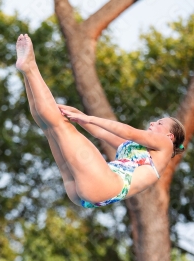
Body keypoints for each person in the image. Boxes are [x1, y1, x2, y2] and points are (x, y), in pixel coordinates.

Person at [15, 34, 186, 208]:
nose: (152, 124)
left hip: (103, 184)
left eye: (159, 123)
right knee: (49, 127)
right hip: (87, 191)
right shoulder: (134, 149)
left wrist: (88, 117)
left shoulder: (165, 145)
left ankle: (30, 66)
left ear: (170, 135)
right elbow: (100, 132)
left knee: (59, 127)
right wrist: (77, 115)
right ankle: (27, 72)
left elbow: (129, 132)